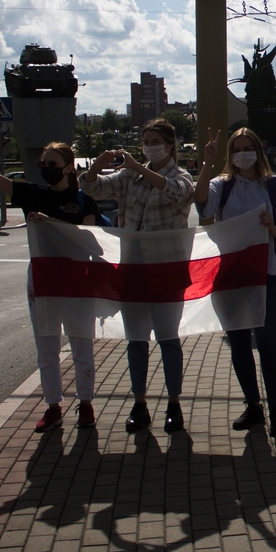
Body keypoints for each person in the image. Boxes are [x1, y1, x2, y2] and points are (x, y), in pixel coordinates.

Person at [0, 120, 101, 432]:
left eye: (52, 164)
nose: (46, 168)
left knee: (82, 346)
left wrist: (52, 223)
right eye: (43, 163)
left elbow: (90, 240)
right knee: (47, 348)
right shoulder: (32, 194)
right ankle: (53, 405)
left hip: (76, 281)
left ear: (69, 167)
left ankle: (85, 404)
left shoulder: (84, 202)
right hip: (42, 281)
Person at [82, 118, 195, 434]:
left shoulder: (179, 175)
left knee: (168, 339)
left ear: (170, 144)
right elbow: (93, 187)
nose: (148, 146)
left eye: (155, 140)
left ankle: (174, 405)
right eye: (145, 140)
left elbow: (180, 194)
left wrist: (142, 168)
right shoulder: (129, 175)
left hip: (167, 272)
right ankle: (140, 403)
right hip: (133, 270)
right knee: (136, 341)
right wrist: (96, 166)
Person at [194, 127, 276, 438]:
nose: (242, 153)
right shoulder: (220, 186)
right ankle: (253, 404)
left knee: (267, 343)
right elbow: (202, 206)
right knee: (239, 344)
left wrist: (270, 227)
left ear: (258, 150)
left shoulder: (274, 187)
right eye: (236, 148)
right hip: (231, 275)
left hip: (265, 274)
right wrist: (207, 164)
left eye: (247, 147)